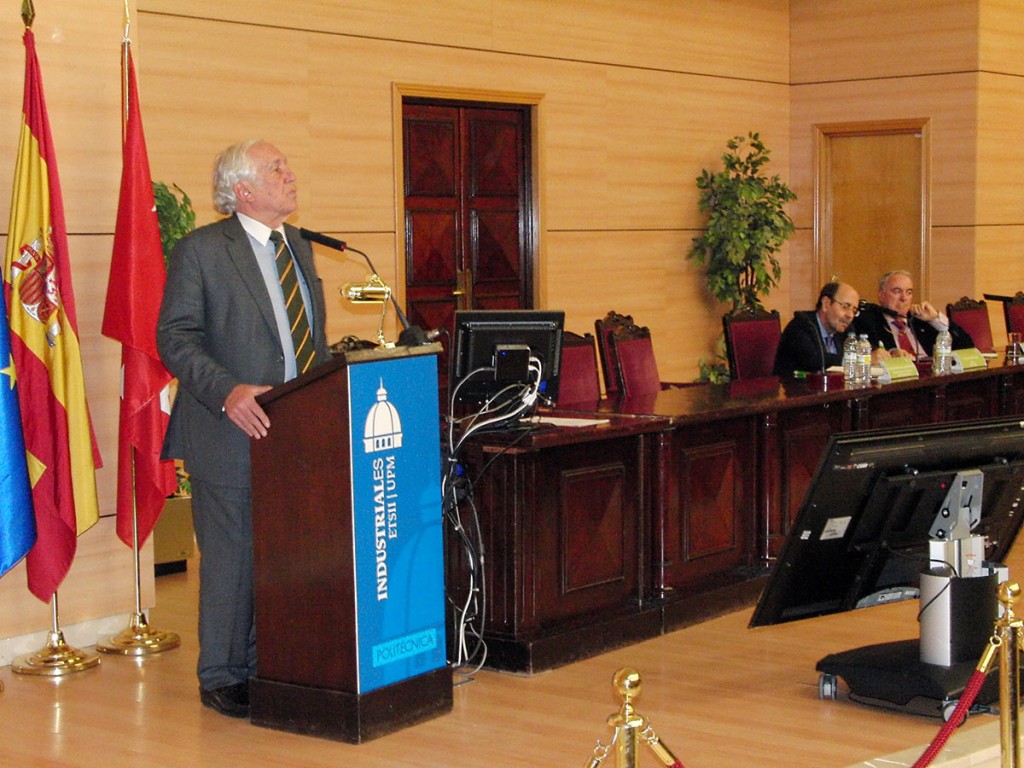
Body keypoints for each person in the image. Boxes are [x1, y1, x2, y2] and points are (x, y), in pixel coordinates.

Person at [157, 139, 332, 718]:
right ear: (243, 191)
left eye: (288, 163)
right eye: (275, 168)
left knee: (283, 553)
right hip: (228, 426)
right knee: (232, 558)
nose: (290, 174)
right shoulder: (202, 250)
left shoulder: (299, 247)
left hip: (296, 427)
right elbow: (175, 337)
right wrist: (227, 391)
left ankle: (269, 663)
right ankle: (224, 675)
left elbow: (308, 340)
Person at [854, 270, 973, 363]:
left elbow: (966, 346)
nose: (904, 298)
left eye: (909, 292)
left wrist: (935, 319)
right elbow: (865, 349)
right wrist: (892, 353)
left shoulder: (919, 320)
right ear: (881, 295)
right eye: (897, 291)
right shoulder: (869, 320)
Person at [772, 282, 860, 377]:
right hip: (797, 389)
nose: (850, 315)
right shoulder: (801, 325)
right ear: (826, 303)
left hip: (832, 389)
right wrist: (851, 360)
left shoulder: (845, 331)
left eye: (854, 310)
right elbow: (814, 360)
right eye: (845, 306)